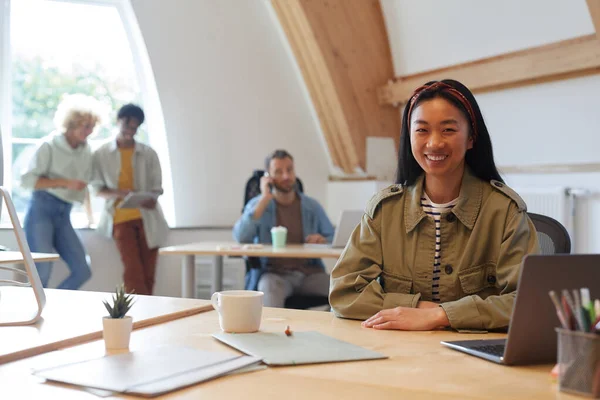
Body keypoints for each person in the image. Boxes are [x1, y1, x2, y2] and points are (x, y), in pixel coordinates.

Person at [329, 79, 540, 331]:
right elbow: (344, 293)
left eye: (448, 130)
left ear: (472, 137)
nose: (434, 143)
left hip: (475, 357)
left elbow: (527, 301)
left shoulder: (505, 212)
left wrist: (443, 315)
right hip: (401, 353)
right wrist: (417, 308)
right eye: (422, 130)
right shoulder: (385, 210)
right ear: (409, 137)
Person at [20, 94, 103, 289]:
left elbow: (84, 187)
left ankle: (53, 306)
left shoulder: (87, 152)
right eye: (85, 126)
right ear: (72, 123)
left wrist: (90, 217)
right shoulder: (48, 145)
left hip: (64, 214)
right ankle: (33, 315)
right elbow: (28, 181)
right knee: (42, 273)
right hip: (42, 210)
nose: (89, 131)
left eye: (92, 126)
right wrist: (65, 182)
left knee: (83, 269)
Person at [233, 150, 334, 308]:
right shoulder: (259, 205)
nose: (286, 176)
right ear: (268, 177)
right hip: (275, 275)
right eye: (279, 172)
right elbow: (241, 237)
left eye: (289, 170)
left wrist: (323, 240)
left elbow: (333, 236)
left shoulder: (312, 206)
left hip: (310, 274)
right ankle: (274, 332)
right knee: (268, 289)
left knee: (345, 289)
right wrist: (264, 198)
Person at [91, 104, 169, 295]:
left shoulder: (148, 153)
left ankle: (149, 317)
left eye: (134, 128)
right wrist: (121, 194)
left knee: (149, 274)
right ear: (118, 122)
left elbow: (157, 187)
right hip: (120, 220)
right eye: (127, 125)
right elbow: (97, 189)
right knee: (133, 272)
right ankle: (138, 317)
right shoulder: (101, 154)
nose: (129, 131)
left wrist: (151, 197)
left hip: (148, 219)